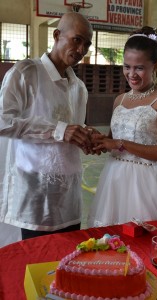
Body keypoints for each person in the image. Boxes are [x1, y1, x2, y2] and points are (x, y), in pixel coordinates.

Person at [0, 12, 97, 243]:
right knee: (36, 260)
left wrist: (87, 137)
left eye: (87, 44)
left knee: (66, 259)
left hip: (70, 194)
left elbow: (73, 129)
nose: (82, 49)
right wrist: (59, 130)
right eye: (77, 39)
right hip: (35, 191)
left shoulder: (79, 87)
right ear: (57, 35)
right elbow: (3, 121)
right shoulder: (26, 73)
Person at [87, 26, 157, 228]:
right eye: (126, 66)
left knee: (143, 241)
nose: (131, 74)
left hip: (146, 182)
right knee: (111, 240)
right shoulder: (119, 100)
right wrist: (99, 141)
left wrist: (119, 143)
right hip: (114, 178)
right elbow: (113, 141)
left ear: (155, 66)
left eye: (139, 67)